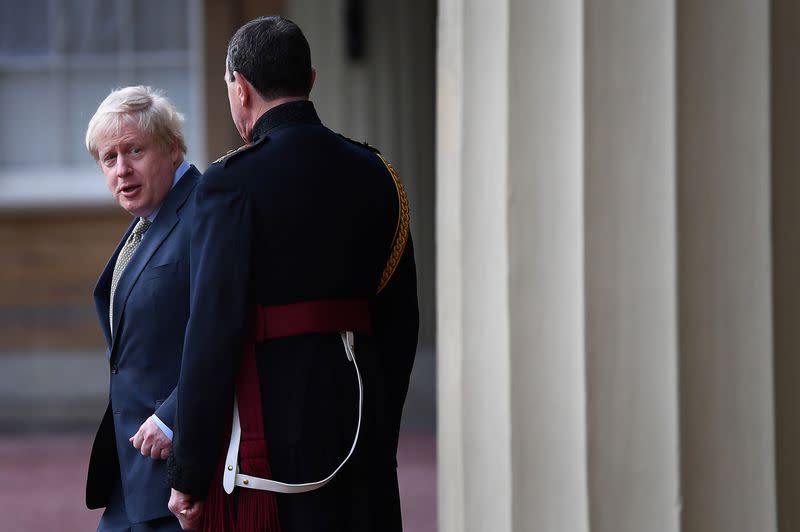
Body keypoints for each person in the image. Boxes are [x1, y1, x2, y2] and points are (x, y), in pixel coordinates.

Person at [167, 16, 419, 532]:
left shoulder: (227, 184)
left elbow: (211, 334)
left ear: (240, 87)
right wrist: (379, 433)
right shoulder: (379, 173)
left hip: (272, 447)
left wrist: (189, 472)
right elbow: (400, 321)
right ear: (311, 79)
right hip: (361, 424)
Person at [84, 85, 201, 532]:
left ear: (172, 149)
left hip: (181, 474)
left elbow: (226, 329)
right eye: (108, 159)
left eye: (134, 150)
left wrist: (172, 417)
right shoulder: (147, 221)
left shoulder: (204, 209)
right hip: (131, 475)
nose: (121, 170)